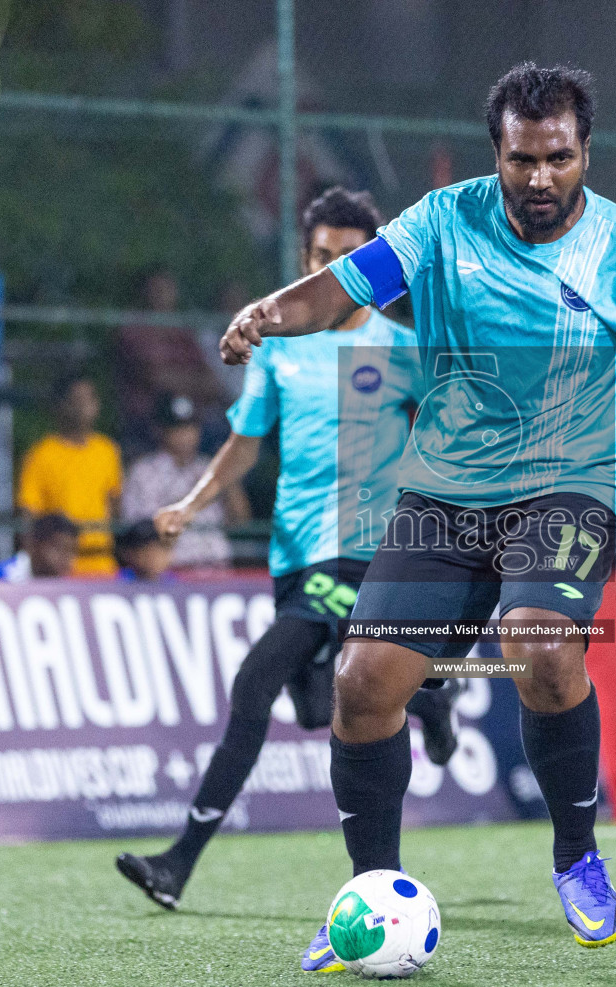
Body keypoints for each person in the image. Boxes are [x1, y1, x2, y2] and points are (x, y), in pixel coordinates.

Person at [218, 63, 616, 963]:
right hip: (447, 489)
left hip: (571, 481)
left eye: (558, 158)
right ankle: (371, 895)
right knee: (364, 682)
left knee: (537, 645)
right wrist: (270, 312)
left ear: (585, 153)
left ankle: (577, 856)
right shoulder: (444, 221)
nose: (539, 178)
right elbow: (344, 287)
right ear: (498, 151)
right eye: (523, 158)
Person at [114, 186, 460, 921]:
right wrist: (190, 504)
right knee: (319, 704)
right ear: (306, 262)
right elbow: (245, 442)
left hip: (372, 560)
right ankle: (431, 698)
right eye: (320, 257)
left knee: (255, 682)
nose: (333, 267)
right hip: (297, 557)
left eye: (348, 259)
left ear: (372, 265)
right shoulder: (282, 351)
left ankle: (178, 863)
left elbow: (452, 436)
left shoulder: (404, 350)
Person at [121, 393, 248, 569]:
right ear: (160, 431)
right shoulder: (144, 472)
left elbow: (240, 519)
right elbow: (139, 530)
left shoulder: (210, 467)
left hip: (217, 568)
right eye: (177, 428)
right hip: (174, 571)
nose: (185, 436)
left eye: (190, 427)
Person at [17, 373, 122, 575]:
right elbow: (27, 513)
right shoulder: (41, 455)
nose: (85, 406)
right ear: (61, 405)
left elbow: (114, 506)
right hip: (60, 568)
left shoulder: (107, 451)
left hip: (102, 564)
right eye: (77, 400)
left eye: (90, 398)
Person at [114, 268, 226, 457]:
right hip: (149, 421)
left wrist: (179, 379)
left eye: (167, 289)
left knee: (226, 436)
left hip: (192, 418)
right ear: (144, 293)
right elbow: (155, 377)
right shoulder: (133, 330)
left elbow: (211, 380)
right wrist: (192, 381)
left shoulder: (182, 331)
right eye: (156, 289)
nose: (162, 295)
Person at [0, 513, 80, 581]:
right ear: (35, 545)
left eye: (72, 550)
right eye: (59, 548)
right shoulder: (4, 575)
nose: (67, 557)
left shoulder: (71, 584)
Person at [114, 519, 176, 583]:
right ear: (129, 553)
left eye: (160, 549)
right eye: (145, 550)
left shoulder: (175, 583)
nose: (153, 558)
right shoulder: (117, 580)